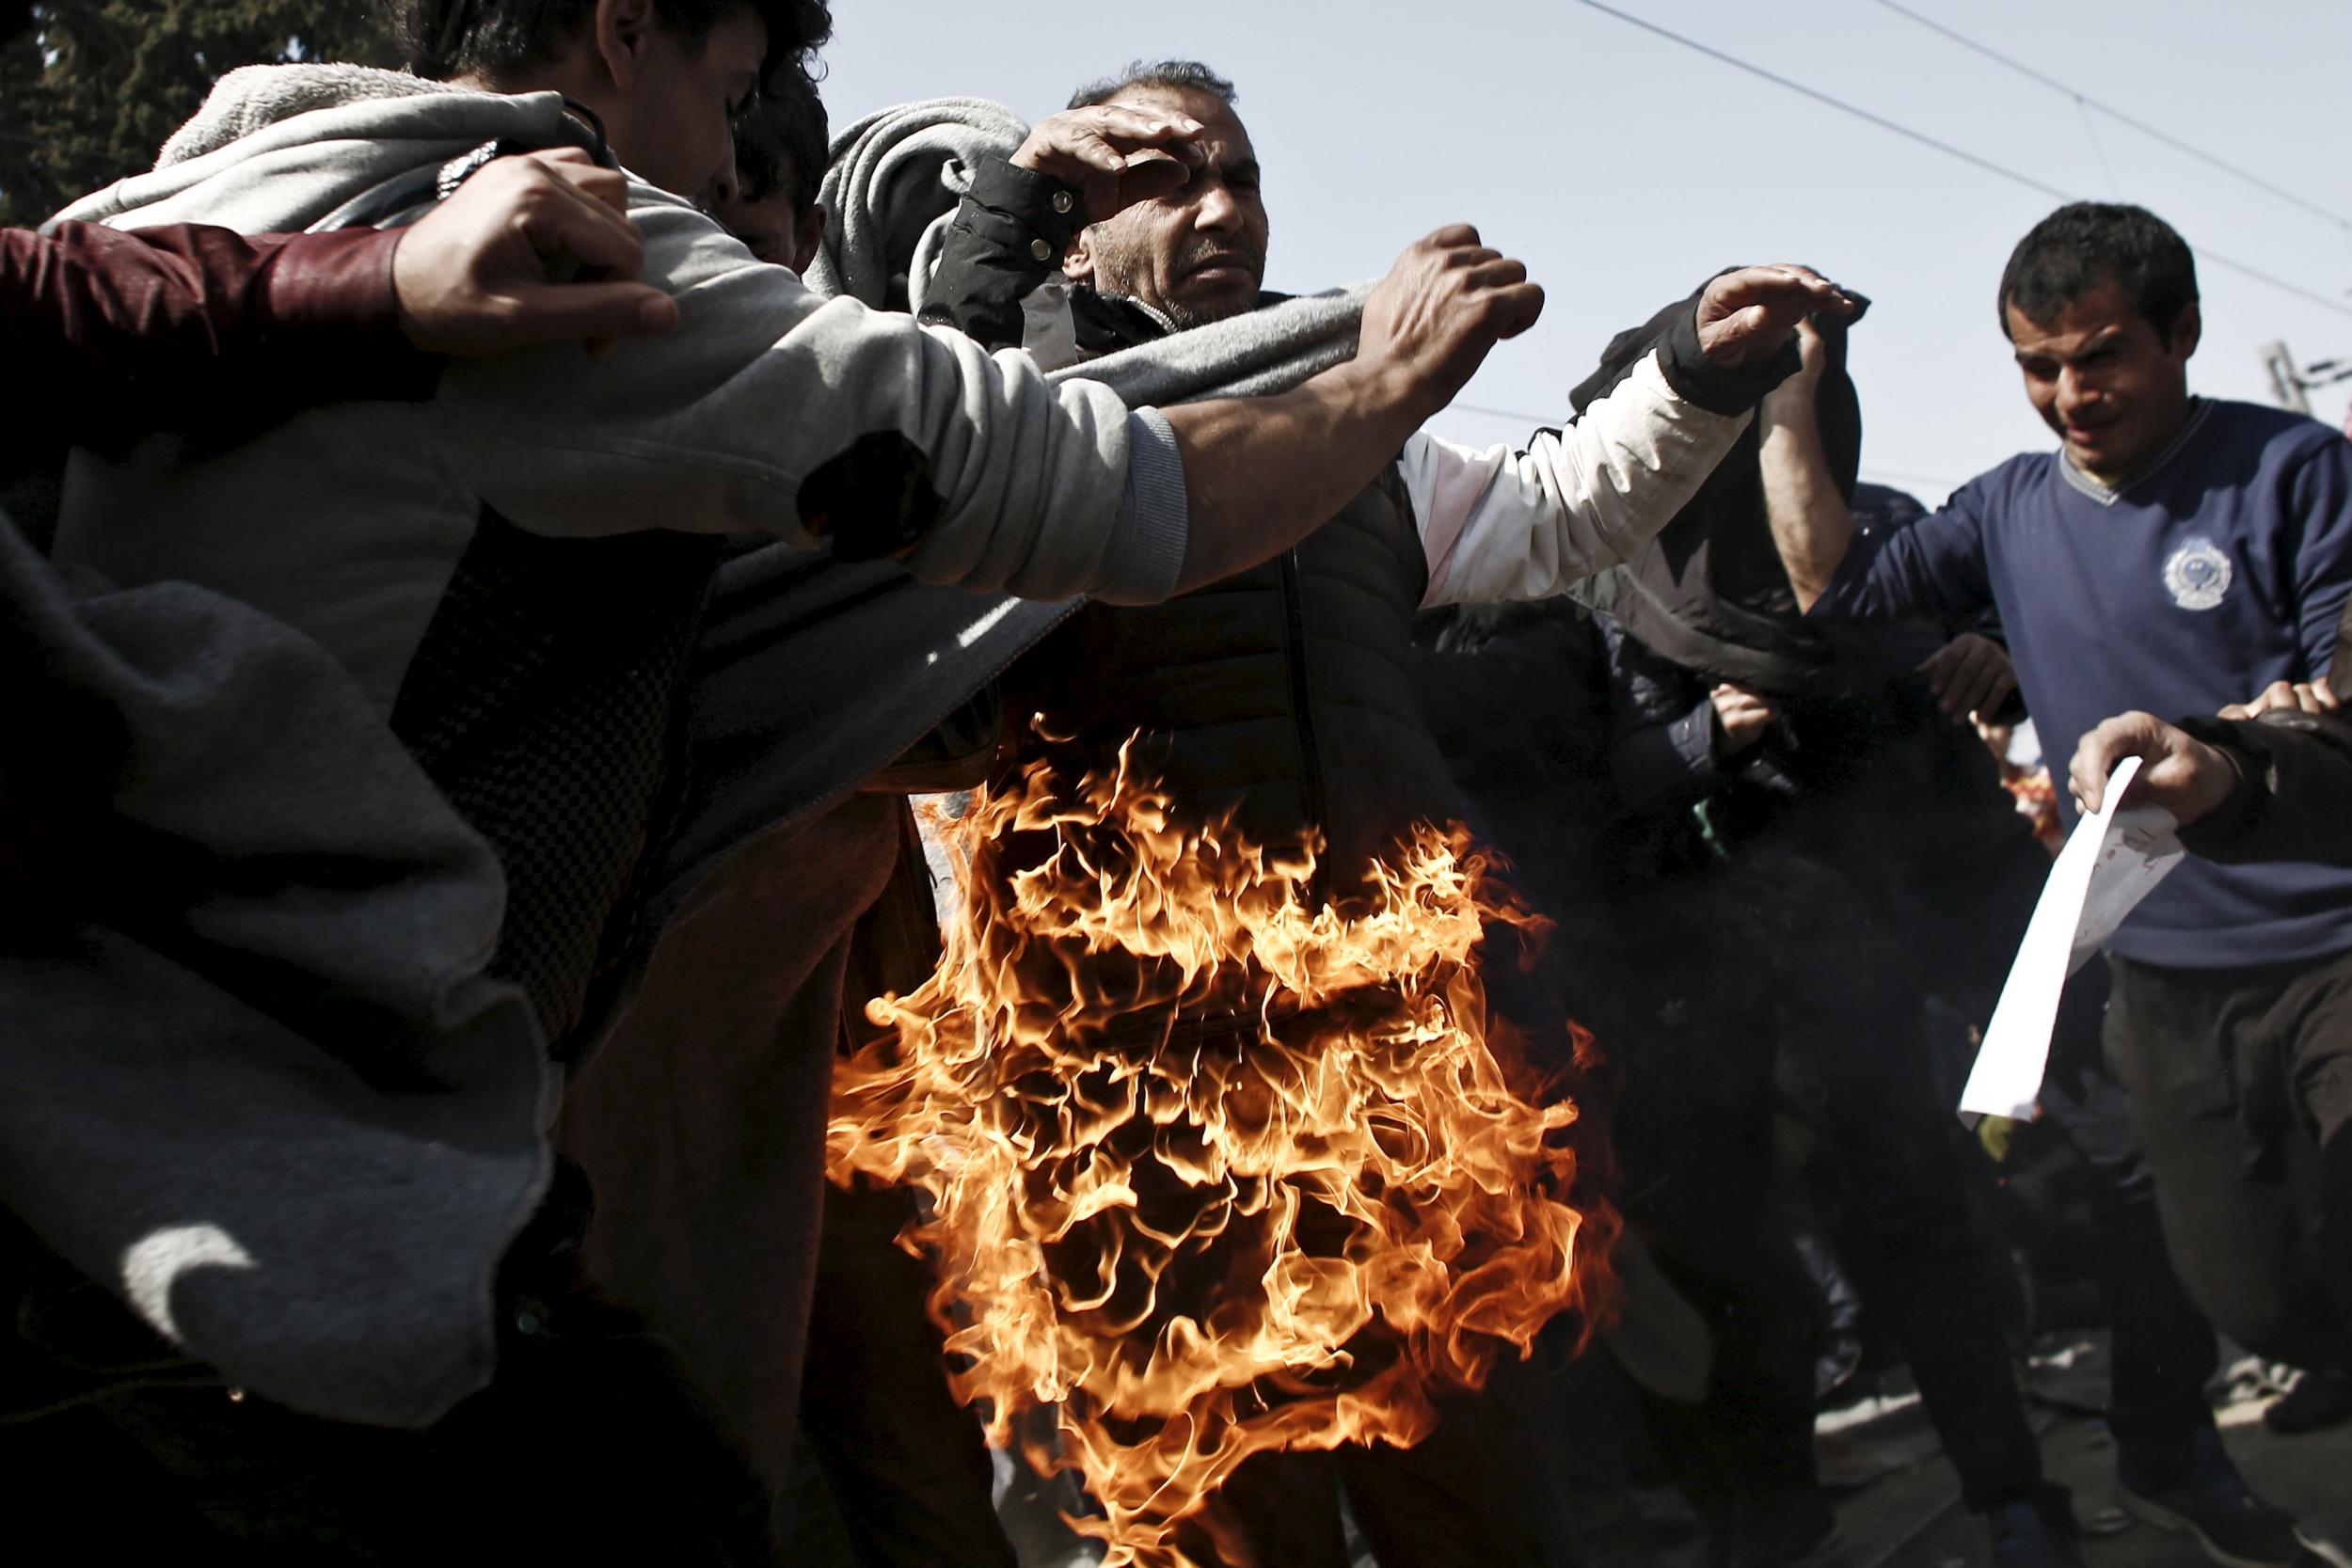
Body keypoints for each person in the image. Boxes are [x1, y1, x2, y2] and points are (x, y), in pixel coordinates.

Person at [915, 55, 1853, 1568]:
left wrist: (1694, 371)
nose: (1222, 206)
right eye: (1164, 178)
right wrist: (1003, 213)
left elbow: (1559, 512)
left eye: (1240, 173)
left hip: (1388, 1064)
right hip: (1139, 1107)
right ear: (1077, 225)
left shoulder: (1351, 415)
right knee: (1231, 1510)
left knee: (1469, 1482)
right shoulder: (1020, 414)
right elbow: (910, 476)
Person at [1767, 199, 2352, 1568]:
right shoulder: (2006, 512)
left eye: (2100, 357)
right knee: (2248, 1288)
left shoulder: (2299, 472)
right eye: (2040, 366)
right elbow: (1831, 594)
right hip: (2165, 981)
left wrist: (2240, 740)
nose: (2070, 395)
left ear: (2181, 335)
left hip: (2332, 941)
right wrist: (1793, 398)